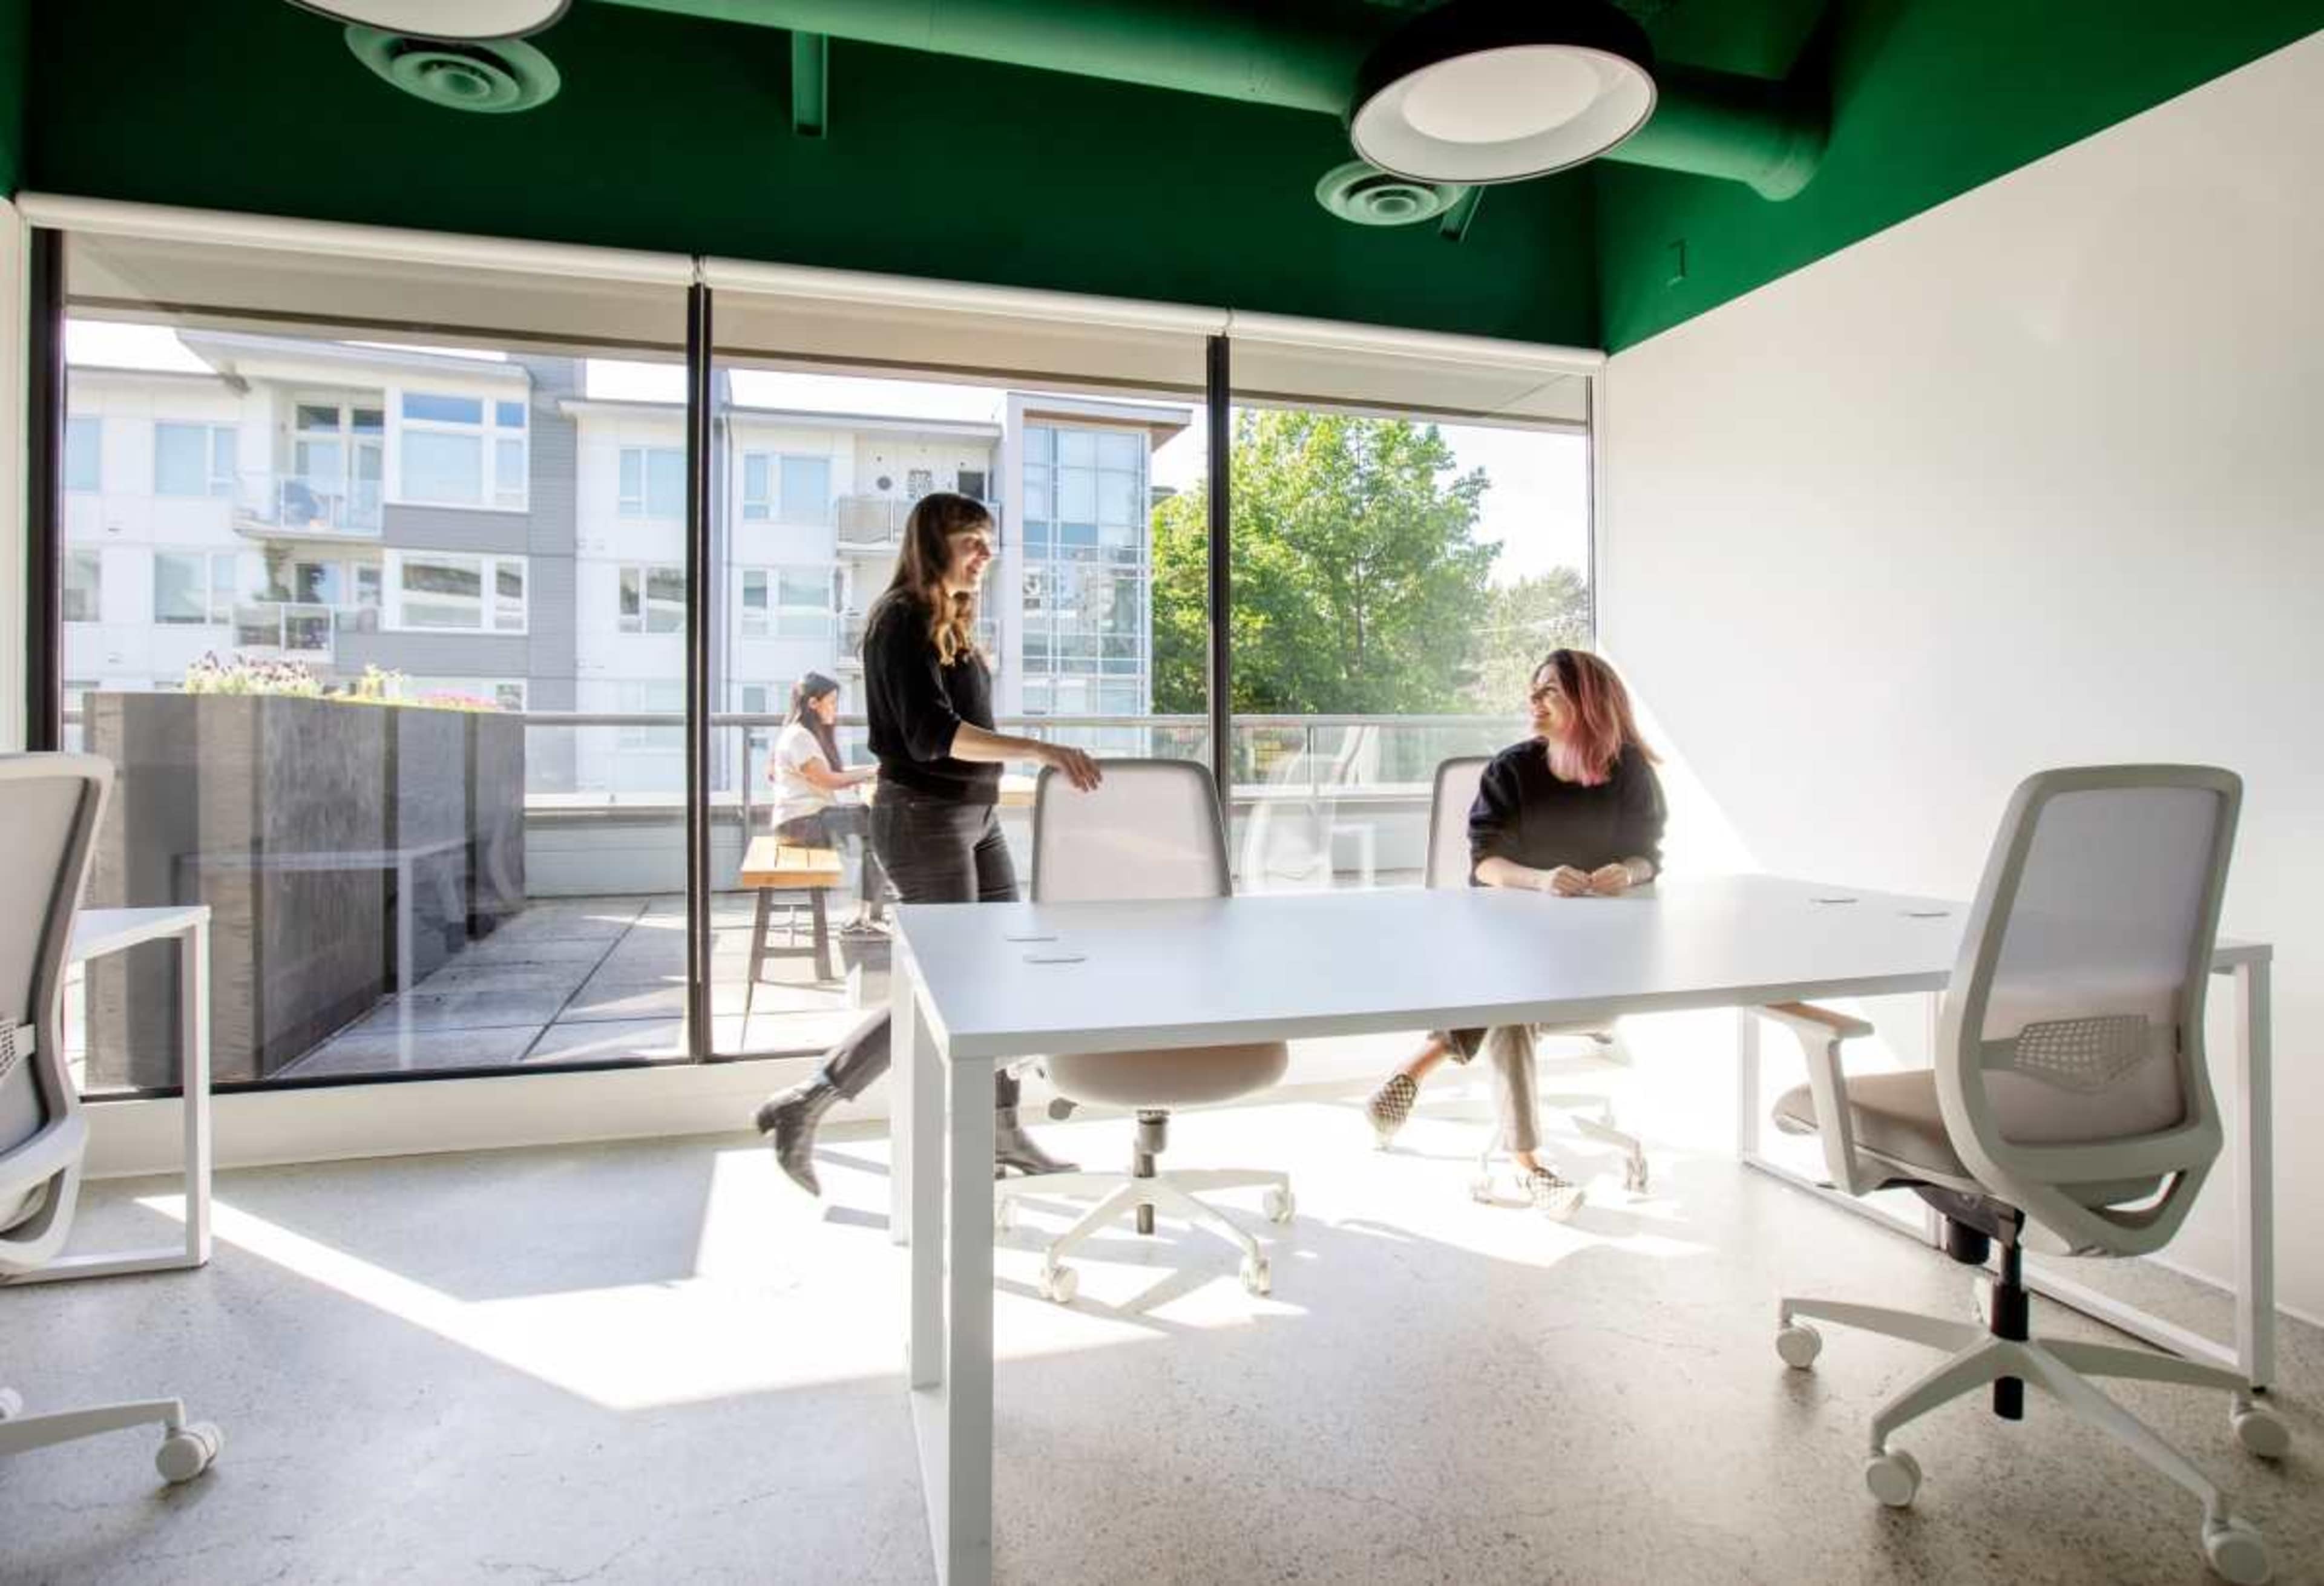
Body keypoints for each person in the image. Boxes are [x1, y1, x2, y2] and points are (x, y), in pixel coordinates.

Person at [752, 491, 1103, 1195]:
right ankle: (808, 1100)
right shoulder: (899, 619)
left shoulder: (955, 619)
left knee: (997, 972)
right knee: (948, 984)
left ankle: (1001, 1132)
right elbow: (930, 735)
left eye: (989, 541)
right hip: (921, 818)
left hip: (973, 815)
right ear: (933, 541)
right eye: (973, 539)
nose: (987, 553)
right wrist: (1038, 747)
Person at [1364, 648, 1666, 1219]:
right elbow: (1485, 865)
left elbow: (1649, 856)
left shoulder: (1630, 772)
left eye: (1549, 689)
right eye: (1534, 688)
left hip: (1599, 948)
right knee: (1511, 995)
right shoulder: (1511, 769)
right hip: (1510, 939)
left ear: (1588, 701)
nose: (1533, 700)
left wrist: (1628, 870)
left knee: (1508, 987)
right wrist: (1540, 880)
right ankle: (1528, 1165)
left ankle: (1412, 1071)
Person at [769, 672, 884, 935]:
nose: (835, 709)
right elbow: (829, 780)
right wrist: (873, 772)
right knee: (880, 825)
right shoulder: (799, 737)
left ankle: (863, 914)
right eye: (831, 702)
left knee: (873, 833)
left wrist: (863, 773)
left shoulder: (801, 735)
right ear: (812, 703)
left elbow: (830, 777)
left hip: (805, 820)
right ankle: (864, 914)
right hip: (799, 825)